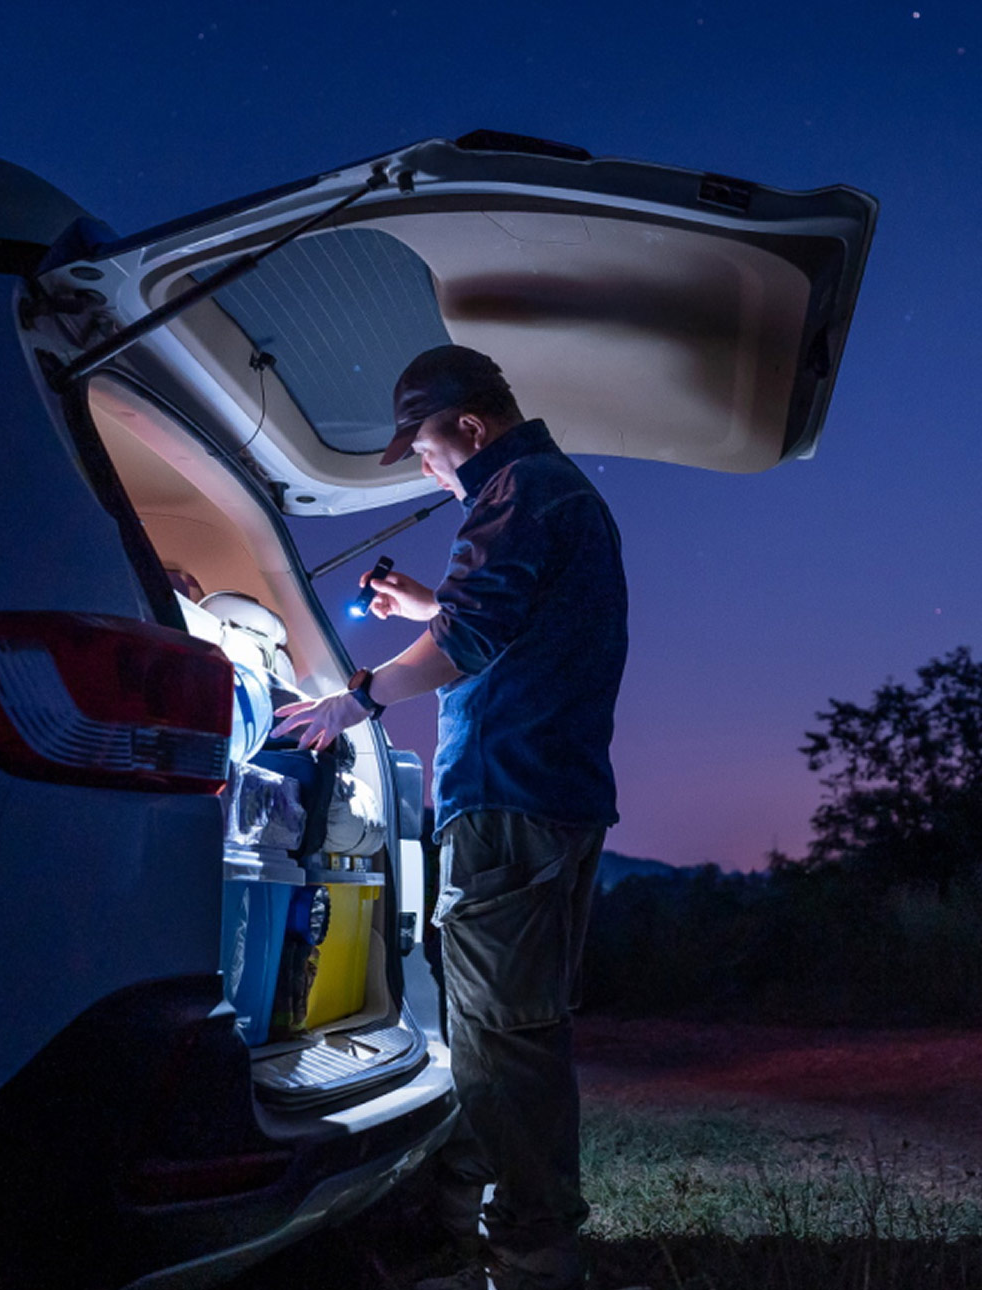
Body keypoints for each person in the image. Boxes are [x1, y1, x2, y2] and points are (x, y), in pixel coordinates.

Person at [272, 344, 627, 1290]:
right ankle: (476, 1227)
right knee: (503, 1027)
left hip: (512, 798)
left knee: (506, 1038)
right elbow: (506, 624)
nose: (426, 469)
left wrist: (358, 698)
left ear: (469, 427)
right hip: (545, 796)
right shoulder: (552, 495)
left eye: (425, 450)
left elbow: (469, 641)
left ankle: (531, 1265)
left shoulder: (518, 490)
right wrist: (425, 607)